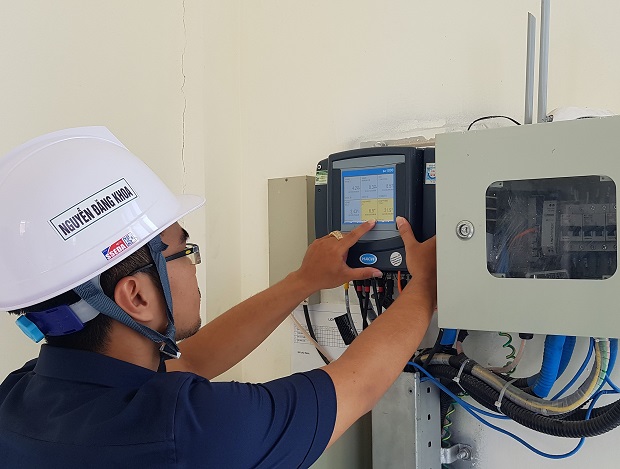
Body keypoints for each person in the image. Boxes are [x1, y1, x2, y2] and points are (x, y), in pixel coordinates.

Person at [0, 127, 436, 468]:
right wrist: (427, 284)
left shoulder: (19, 397)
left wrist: (304, 280)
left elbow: (188, 360)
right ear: (135, 295)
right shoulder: (188, 429)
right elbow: (356, 388)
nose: (193, 266)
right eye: (183, 252)